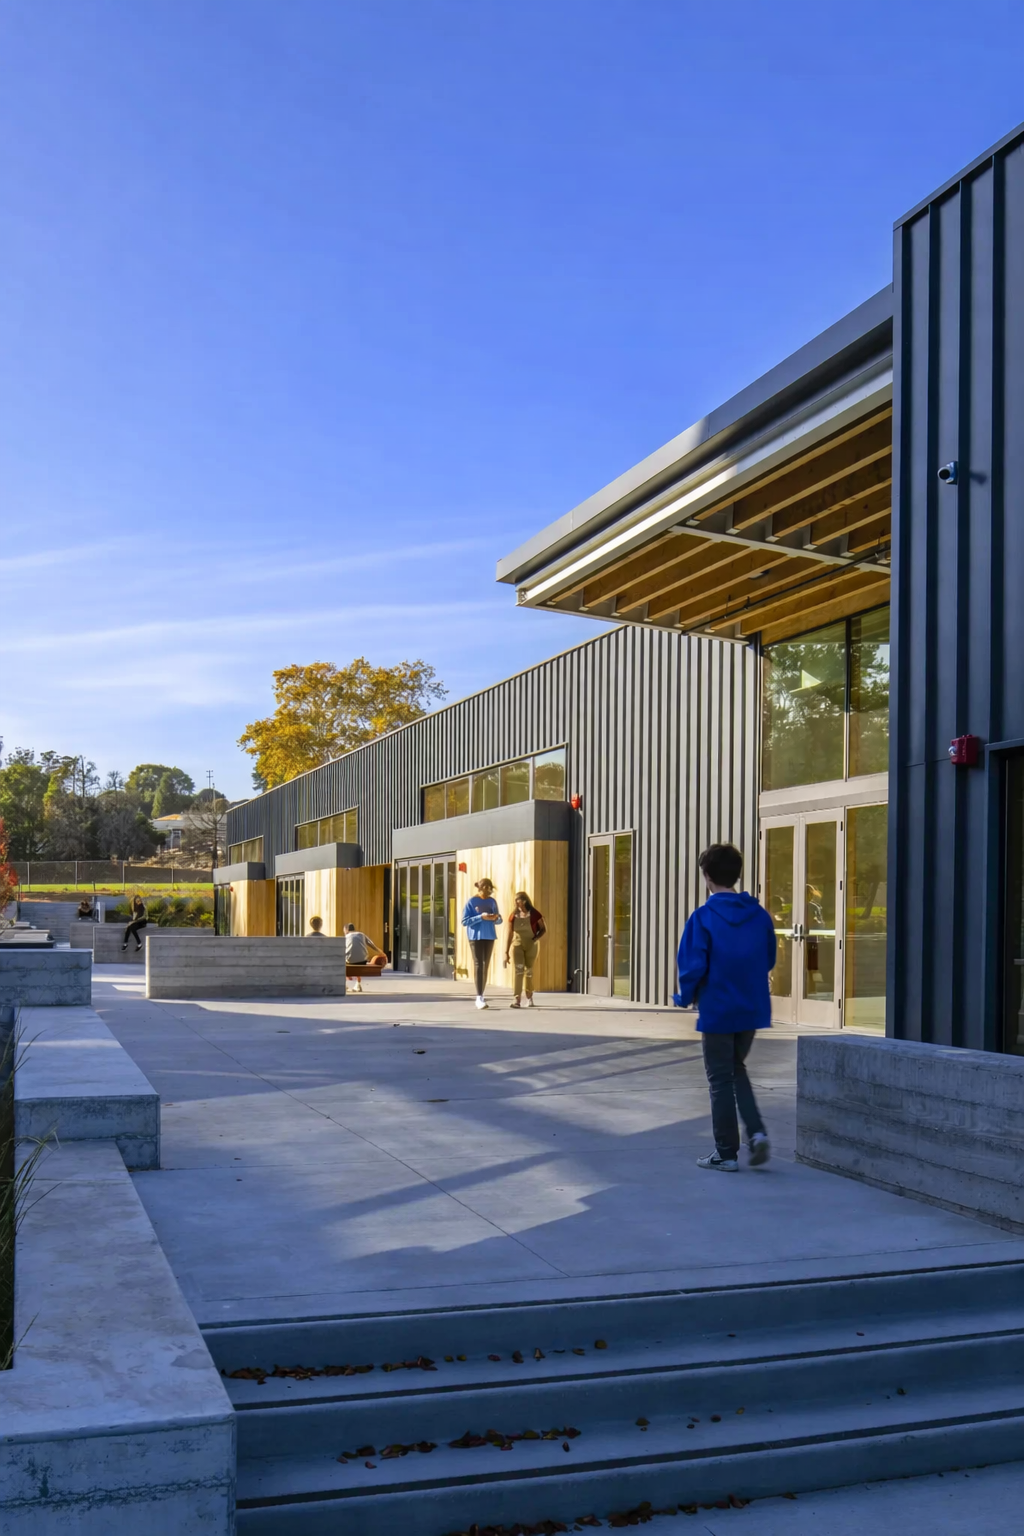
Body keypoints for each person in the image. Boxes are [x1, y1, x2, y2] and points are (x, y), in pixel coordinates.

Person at [674, 843, 775, 1172]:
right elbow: (769, 958)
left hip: (718, 1009)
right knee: (735, 1069)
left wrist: (684, 996)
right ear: (737, 874)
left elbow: (692, 965)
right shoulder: (759, 916)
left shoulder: (703, 917)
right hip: (752, 1008)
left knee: (720, 1079)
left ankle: (726, 1153)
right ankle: (756, 1132)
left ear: (706, 876)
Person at [461, 878, 502, 1009]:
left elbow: (499, 920)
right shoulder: (471, 901)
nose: (487, 889)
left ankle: (482, 994)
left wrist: (496, 918)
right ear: (479, 887)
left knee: (485, 965)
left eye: (489, 887)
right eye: (484, 887)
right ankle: (479, 997)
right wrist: (480, 917)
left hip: (489, 936)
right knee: (479, 964)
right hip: (475, 937)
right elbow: (464, 921)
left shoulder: (492, 901)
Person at [503, 891, 546, 1009]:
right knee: (519, 970)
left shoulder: (534, 914)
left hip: (531, 944)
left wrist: (535, 938)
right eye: (516, 900)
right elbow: (509, 933)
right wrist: (506, 952)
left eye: (519, 900)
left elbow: (543, 929)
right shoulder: (513, 916)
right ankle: (516, 998)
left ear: (525, 901)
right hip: (517, 944)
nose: (517, 903)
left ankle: (529, 995)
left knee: (529, 971)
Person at [344, 922, 384, 992]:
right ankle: (358, 984)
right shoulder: (362, 935)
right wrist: (381, 952)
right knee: (357, 961)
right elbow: (371, 945)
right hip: (363, 961)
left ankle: (344, 984)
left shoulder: (346, 937)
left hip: (350, 961)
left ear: (346, 930)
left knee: (342, 963)